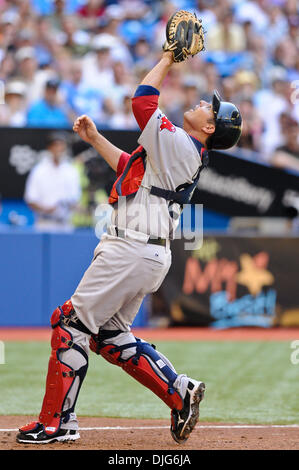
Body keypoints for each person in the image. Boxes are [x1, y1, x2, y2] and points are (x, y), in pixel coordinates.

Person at [17, 50, 242, 445]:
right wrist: (95, 138)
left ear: (210, 127)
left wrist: (169, 58)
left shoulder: (183, 145)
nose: (205, 102)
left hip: (132, 247)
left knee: (69, 325)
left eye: (212, 108)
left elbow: (141, 100)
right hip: (145, 251)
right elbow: (129, 169)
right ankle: (180, 391)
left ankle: (56, 423)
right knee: (108, 337)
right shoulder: (179, 150)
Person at [24, 131, 81, 231]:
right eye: (55, 145)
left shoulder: (71, 170)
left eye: (61, 146)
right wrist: (46, 209)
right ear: (49, 148)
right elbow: (30, 199)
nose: (59, 149)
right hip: (44, 223)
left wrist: (66, 204)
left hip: (65, 224)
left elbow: (75, 199)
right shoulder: (39, 170)